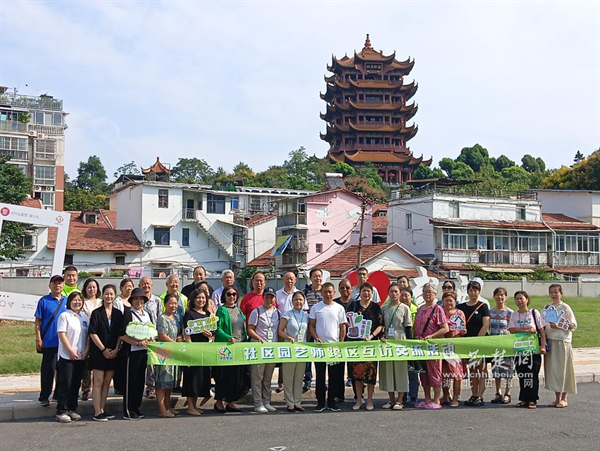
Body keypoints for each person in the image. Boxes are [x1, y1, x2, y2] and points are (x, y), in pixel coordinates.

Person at [308, 282, 348, 412]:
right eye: (325, 292)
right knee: (320, 376)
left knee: (334, 376)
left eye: (330, 292)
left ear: (334, 293)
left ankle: (331, 402)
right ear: (321, 293)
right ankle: (320, 402)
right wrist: (315, 337)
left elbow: (343, 326)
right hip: (320, 348)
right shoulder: (316, 307)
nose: (328, 294)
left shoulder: (339, 308)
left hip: (334, 348)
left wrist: (341, 342)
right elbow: (311, 325)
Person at [88, 284, 123, 422]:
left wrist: (116, 349)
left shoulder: (118, 313)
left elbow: (120, 334)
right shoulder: (96, 313)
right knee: (98, 382)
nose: (109, 296)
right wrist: (103, 349)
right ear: (102, 295)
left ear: (115, 295)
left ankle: (102, 409)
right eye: (106, 293)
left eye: (111, 294)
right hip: (98, 352)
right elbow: (92, 333)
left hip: (113, 352)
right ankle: (97, 412)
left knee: (107, 382)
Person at [508, 290, 547, 409]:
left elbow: (542, 330)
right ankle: (524, 398)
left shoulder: (534, 313)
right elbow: (511, 329)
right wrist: (526, 331)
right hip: (519, 349)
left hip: (533, 349)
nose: (519, 301)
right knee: (522, 373)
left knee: (532, 373)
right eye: (517, 299)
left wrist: (542, 346)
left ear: (527, 299)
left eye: (521, 298)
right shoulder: (514, 315)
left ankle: (532, 399)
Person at [55, 292, 89, 423]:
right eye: (74, 300)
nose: (77, 302)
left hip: (81, 356)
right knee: (66, 383)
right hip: (67, 356)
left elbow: (88, 336)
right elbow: (62, 335)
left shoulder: (84, 317)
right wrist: (70, 351)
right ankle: (61, 410)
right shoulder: (65, 316)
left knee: (76, 384)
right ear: (69, 302)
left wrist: (86, 350)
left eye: (79, 300)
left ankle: (72, 408)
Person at [349, 282, 384, 411]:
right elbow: (348, 322)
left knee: (371, 374)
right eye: (364, 291)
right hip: (357, 344)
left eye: (369, 291)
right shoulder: (354, 306)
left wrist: (371, 336)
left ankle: (369, 399)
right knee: (357, 374)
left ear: (372, 293)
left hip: (371, 344)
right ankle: (359, 399)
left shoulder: (376, 307)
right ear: (360, 292)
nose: (366, 293)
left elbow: (381, 325)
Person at [413, 283, 449, 410]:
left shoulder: (438, 309)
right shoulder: (420, 309)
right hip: (421, 347)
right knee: (424, 374)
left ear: (435, 294)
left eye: (430, 292)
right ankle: (427, 398)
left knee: (435, 373)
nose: (427, 294)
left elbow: (445, 328)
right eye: (425, 291)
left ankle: (436, 399)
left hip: (433, 347)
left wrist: (432, 336)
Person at [119, 287, 152, 420]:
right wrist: (137, 343)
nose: (139, 301)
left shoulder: (147, 314)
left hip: (143, 352)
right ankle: (128, 410)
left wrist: (151, 339)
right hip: (131, 352)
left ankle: (137, 407)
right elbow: (122, 334)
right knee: (130, 382)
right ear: (131, 300)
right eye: (136, 299)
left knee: (140, 381)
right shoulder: (128, 314)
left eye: (141, 299)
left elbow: (151, 331)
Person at [35, 274, 67, 406]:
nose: (57, 285)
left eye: (60, 283)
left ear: (63, 285)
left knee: (63, 371)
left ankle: (58, 395)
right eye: (55, 283)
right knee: (48, 370)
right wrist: (38, 338)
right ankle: (44, 396)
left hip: (64, 343)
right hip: (49, 342)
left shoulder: (67, 301)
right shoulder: (43, 301)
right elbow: (38, 321)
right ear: (50, 285)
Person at [457, 280, 490, 407]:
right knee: (472, 370)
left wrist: (478, 340)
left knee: (482, 369)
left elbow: (486, 324)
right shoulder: (461, 307)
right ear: (467, 292)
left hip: (481, 343)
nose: (473, 293)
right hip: (467, 342)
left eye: (475, 290)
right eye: (471, 290)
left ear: (479, 291)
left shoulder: (483, 306)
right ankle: (473, 394)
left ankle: (480, 396)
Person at [379, 283, 412, 410]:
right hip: (387, 342)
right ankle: (391, 400)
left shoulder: (405, 308)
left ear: (400, 293)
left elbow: (408, 327)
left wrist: (409, 344)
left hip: (400, 340)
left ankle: (400, 400)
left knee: (400, 370)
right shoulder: (384, 308)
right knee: (388, 371)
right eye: (391, 291)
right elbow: (381, 325)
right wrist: (381, 336)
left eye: (396, 291)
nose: (393, 294)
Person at [214, 285, 246, 413]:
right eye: (229, 294)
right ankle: (219, 402)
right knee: (224, 376)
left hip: (239, 347)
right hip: (226, 347)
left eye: (234, 294)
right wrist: (228, 338)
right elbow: (218, 329)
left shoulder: (239, 310)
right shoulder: (221, 310)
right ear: (224, 296)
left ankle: (230, 402)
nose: (232, 297)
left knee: (235, 376)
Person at [247, 287, 280, 413]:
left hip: (272, 349)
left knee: (267, 378)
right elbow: (250, 329)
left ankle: (266, 401)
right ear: (263, 297)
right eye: (267, 297)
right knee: (257, 377)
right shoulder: (257, 312)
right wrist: (258, 338)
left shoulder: (278, 313)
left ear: (275, 299)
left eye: (271, 297)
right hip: (259, 348)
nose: (269, 299)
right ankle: (258, 403)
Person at [544, 283, 577, 408]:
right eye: (551, 292)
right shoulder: (548, 307)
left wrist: (558, 325)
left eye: (556, 292)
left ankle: (564, 398)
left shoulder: (565, 308)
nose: (553, 294)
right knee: (553, 370)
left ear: (561, 293)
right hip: (550, 341)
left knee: (564, 369)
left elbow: (573, 325)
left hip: (562, 341)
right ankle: (557, 398)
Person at [182, 289, 213, 415]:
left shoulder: (208, 314)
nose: (201, 300)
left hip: (204, 350)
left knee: (201, 378)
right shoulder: (189, 314)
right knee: (192, 378)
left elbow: (212, 333)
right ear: (193, 299)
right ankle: (190, 406)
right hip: (193, 350)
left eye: (203, 298)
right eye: (198, 298)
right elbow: (186, 333)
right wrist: (190, 348)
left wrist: (210, 334)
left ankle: (195, 405)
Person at [278, 291, 309, 412]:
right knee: (288, 376)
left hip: (302, 350)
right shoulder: (287, 314)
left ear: (304, 301)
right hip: (289, 349)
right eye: (296, 299)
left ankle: (298, 402)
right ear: (292, 301)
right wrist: (288, 337)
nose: (298, 302)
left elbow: (308, 332)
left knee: (299, 377)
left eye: (300, 299)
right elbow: (280, 331)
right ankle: (290, 402)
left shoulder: (306, 316)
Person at [155, 293, 182, 418]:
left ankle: (167, 406)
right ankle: (161, 409)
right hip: (163, 353)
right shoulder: (162, 318)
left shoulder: (175, 318)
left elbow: (178, 333)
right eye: (171, 303)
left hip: (173, 354)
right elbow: (162, 335)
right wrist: (174, 344)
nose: (173, 306)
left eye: (175, 303)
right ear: (165, 304)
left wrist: (179, 338)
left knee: (169, 382)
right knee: (162, 382)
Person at [440, 290, 467, 408]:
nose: (449, 303)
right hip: (443, 346)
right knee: (444, 373)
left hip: (456, 347)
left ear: (455, 301)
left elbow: (463, 329)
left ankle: (456, 397)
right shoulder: (440, 312)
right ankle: (446, 395)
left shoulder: (459, 313)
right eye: (446, 300)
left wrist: (463, 331)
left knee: (457, 374)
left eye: (451, 300)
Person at [489, 287, 514, 405]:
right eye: (497, 295)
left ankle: (507, 393)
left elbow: (512, 328)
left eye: (502, 295)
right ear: (494, 297)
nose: (500, 297)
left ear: (506, 297)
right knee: (496, 369)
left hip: (507, 345)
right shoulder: (490, 312)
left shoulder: (510, 312)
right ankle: (498, 392)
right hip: (494, 345)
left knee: (508, 369)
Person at [303, 268, 324, 392]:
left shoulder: (325, 291)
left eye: (319, 276)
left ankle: (321, 381)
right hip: (308, 327)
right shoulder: (305, 292)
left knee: (320, 355)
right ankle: (307, 379)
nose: (317, 278)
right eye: (315, 276)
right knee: (308, 354)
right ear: (310, 278)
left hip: (322, 328)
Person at [80, 278, 101, 401]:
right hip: (86, 335)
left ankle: (97, 389)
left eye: (94, 287)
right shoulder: (83, 302)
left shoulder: (101, 302)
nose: (92, 289)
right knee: (86, 365)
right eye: (89, 287)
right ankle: (85, 389)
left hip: (100, 336)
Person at [140, 276, 161, 399]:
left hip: (153, 337)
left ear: (151, 285)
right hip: (140, 337)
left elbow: (159, 318)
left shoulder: (157, 300)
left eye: (148, 283)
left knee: (152, 364)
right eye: (143, 283)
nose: (146, 286)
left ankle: (151, 388)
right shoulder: (137, 300)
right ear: (139, 286)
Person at [400, 287, 419, 406]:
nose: (404, 298)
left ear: (411, 298)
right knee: (402, 371)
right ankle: (403, 395)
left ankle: (413, 395)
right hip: (400, 344)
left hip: (413, 344)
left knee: (413, 372)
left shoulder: (417, 310)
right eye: (402, 295)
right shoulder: (397, 309)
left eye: (406, 295)